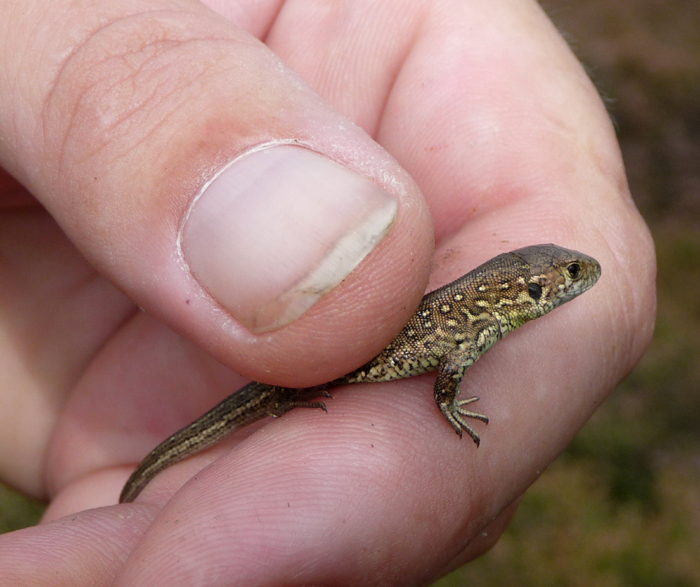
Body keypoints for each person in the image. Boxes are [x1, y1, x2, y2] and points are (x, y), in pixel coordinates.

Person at [0, 0, 655, 584]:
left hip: (312, 365)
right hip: (304, 370)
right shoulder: (475, 324)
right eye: (564, 278)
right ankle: (149, 474)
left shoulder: (482, 316)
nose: (573, 281)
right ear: (529, 290)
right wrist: (450, 410)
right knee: (258, 410)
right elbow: (447, 376)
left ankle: (151, 474)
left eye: (566, 275)